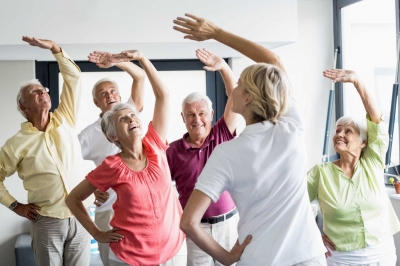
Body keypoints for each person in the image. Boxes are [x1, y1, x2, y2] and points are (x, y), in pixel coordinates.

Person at [174, 14, 327, 265]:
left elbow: (189, 222)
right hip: (308, 257)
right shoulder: (292, 126)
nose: (233, 88)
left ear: (247, 99)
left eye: (240, 85)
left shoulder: (225, 153)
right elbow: (273, 61)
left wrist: (226, 258)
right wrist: (217, 32)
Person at [66, 50, 185, 266]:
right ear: (113, 135)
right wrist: (97, 233)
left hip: (169, 250)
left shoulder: (155, 145)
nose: (132, 119)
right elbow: (72, 199)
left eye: (133, 115)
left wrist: (141, 58)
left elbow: (163, 96)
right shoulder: (112, 165)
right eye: (123, 118)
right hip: (129, 256)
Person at [0, 36, 90, 266]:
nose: (43, 93)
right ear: (23, 106)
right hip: (47, 220)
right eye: (35, 92)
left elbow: (74, 77)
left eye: (44, 89)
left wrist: (55, 49)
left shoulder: (65, 118)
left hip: (81, 215)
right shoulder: (16, 143)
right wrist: (14, 205)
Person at [307, 69, 400, 265]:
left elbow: (377, 122)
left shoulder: (373, 162)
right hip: (342, 257)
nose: (339, 134)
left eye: (348, 131)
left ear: (364, 142)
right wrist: (313, 236)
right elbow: (294, 204)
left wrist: (357, 81)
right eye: (338, 130)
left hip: (381, 253)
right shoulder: (320, 173)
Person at [167, 47, 240, 266]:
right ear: (183, 118)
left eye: (201, 113)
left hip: (229, 225)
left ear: (211, 115)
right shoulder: (173, 151)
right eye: (190, 114)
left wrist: (224, 68)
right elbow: (157, 185)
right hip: (196, 229)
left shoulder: (222, 134)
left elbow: (236, 98)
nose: (196, 119)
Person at [79, 52, 146, 266]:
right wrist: (92, 188)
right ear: (96, 102)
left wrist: (117, 61)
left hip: (138, 205)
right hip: (108, 210)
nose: (109, 96)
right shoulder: (89, 134)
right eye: (103, 93)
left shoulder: (130, 112)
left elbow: (140, 77)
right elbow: (65, 164)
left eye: (112, 91)